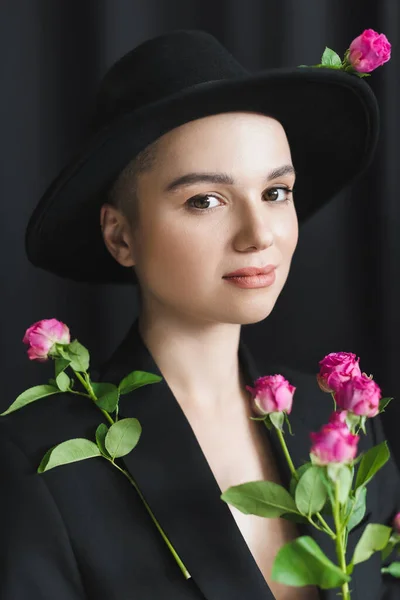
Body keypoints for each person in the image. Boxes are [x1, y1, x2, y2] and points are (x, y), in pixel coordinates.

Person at [0, 29, 399, 600]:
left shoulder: (339, 419)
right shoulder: (40, 465)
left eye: (276, 192)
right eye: (204, 200)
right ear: (121, 235)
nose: (258, 235)